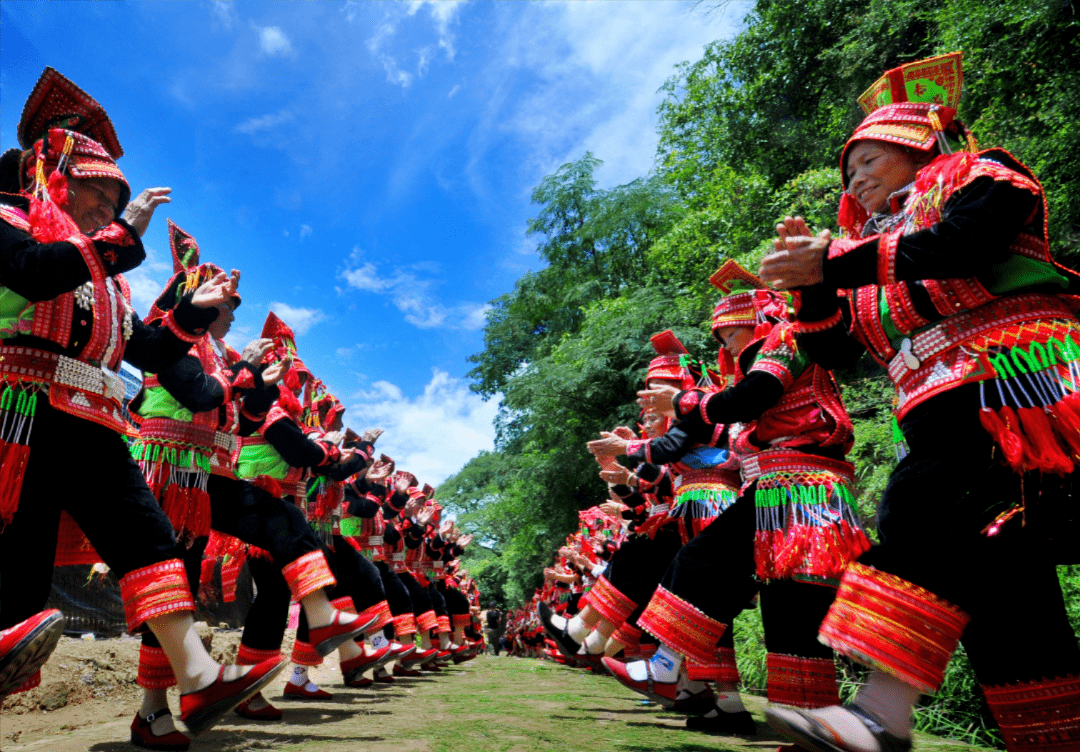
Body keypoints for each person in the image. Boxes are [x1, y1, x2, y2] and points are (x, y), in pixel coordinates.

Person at [758, 52, 1080, 752]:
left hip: (1017, 389)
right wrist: (814, 288)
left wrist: (833, 263)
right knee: (1004, 589)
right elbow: (842, 353)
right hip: (942, 407)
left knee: (922, 506)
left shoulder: (981, 176)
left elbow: (965, 243)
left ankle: (878, 712)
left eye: (871, 160)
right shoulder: (874, 251)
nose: (858, 179)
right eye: (850, 172)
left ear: (917, 148)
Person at [0, 67, 285, 739]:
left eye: (110, 207)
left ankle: (197, 678)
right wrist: (120, 235)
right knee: (15, 589)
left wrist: (194, 311)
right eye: (94, 200)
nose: (104, 216)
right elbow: (31, 276)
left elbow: (150, 351)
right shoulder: (10, 225)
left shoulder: (105, 281)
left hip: (93, 425)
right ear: (52, 179)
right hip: (22, 420)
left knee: (147, 542)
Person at [600, 261, 869, 739]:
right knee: (788, 615)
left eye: (729, 333)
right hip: (792, 494)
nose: (725, 345)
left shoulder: (784, 341)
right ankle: (803, 728)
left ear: (755, 322)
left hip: (794, 490)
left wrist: (678, 409)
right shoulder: (748, 375)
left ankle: (667, 667)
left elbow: (745, 401)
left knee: (700, 566)